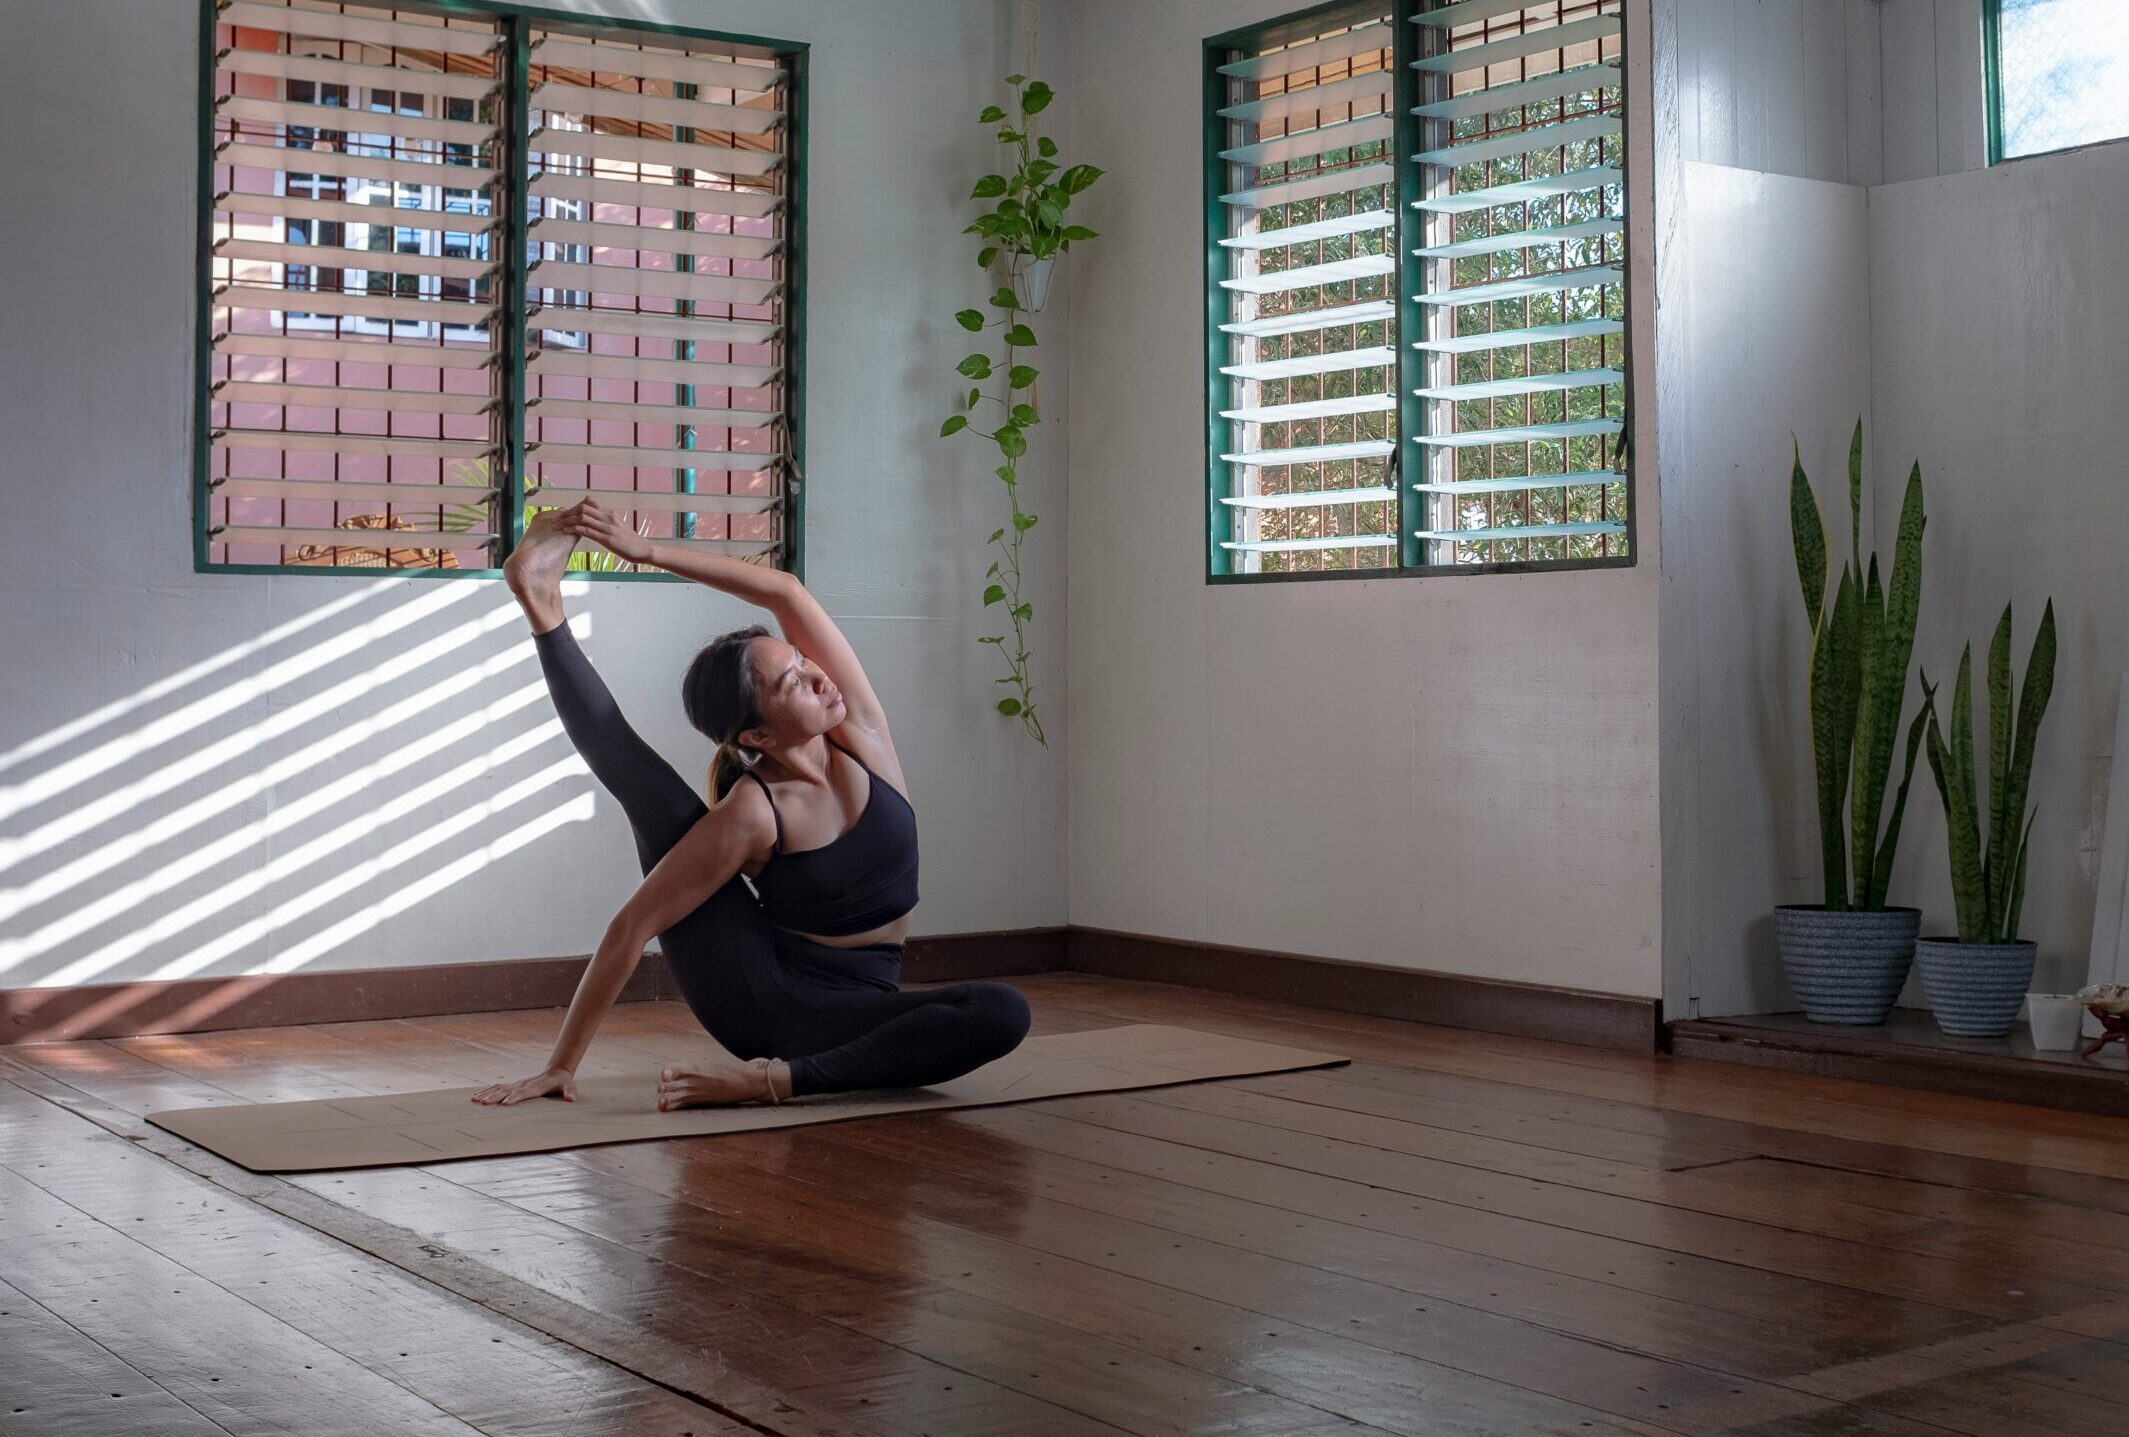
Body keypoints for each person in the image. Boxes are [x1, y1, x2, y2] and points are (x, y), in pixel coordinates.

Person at [472, 497, 1031, 1111]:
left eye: (803, 661)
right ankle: (541, 604)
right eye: (794, 682)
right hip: (770, 1005)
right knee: (651, 791)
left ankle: (778, 1080)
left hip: (864, 1001)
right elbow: (632, 927)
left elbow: (785, 593)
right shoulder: (753, 812)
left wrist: (646, 551)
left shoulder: (862, 733)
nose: (819, 677)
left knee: (1002, 1011)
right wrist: (560, 1065)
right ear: (758, 736)